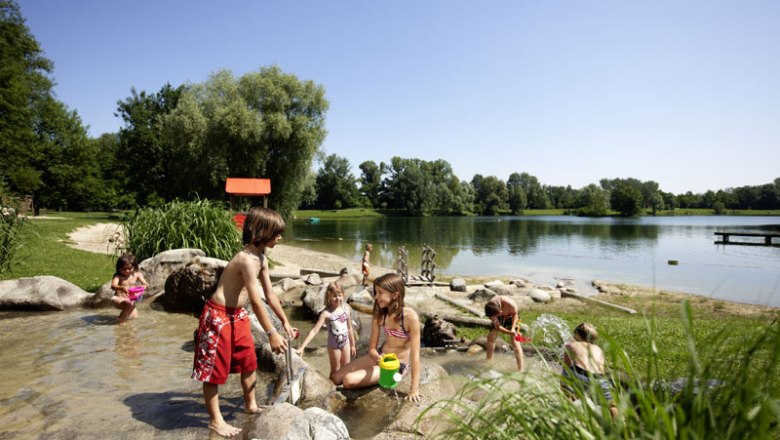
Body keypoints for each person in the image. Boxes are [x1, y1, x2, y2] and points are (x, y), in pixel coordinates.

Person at [192, 207, 295, 437]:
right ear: (262, 232)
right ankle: (216, 421)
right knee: (214, 371)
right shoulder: (246, 260)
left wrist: (285, 322)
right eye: (276, 233)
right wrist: (271, 333)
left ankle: (250, 404)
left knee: (248, 361)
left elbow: (270, 295)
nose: (280, 237)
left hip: (237, 315)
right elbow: (257, 302)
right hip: (217, 317)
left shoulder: (261, 258)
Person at [332, 272, 422, 402]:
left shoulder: (410, 317)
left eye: (380, 293)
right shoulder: (380, 314)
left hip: (396, 365)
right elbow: (372, 349)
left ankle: (388, 376)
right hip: (379, 357)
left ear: (395, 294)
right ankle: (374, 373)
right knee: (336, 378)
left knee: (347, 380)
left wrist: (414, 389)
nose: (375, 297)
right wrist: (378, 358)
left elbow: (415, 355)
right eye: (375, 292)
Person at [295, 282, 357, 382]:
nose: (337, 298)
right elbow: (314, 331)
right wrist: (302, 347)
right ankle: (330, 388)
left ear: (343, 295)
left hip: (346, 344)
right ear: (329, 297)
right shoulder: (326, 313)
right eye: (334, 296)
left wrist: (353, 345)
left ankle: (345, 387)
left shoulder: (346, 309)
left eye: (339, 295)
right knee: (335, 370)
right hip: (334, 346)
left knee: (346, 368)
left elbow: (349, 328)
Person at [561, 323, 618, 418]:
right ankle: (619, 426)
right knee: (611, 405)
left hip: (578, 373)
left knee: (567, 390)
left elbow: (566, 366)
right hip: (599, 378)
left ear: (577, 334)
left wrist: (563, 384)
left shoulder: (571, 345)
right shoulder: (598, 349)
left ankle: (570, 417)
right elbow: (601, 368)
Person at [484, 295, 524, 371]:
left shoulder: (510, 303)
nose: (501, 312)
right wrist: (510, 333)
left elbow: (515, 314)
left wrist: (512, 329)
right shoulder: (490, 309)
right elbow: (499, 327)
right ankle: (488, 361)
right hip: (497, 314)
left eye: (500, 312)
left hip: (512, 315)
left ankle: (521, 369)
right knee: (491, 338)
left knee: (515, 341)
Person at [111, 253, 148, 323]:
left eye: (129, 268)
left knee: (135, 318)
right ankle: (120, 321)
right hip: (118, 299)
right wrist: (121, 288)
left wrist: (144, 286)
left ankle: (128, 328)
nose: (127, 271)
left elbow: (145, 283)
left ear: (134, 267)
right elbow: (113, 286)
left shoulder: (137, 274)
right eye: (124, 269)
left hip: (130, 300)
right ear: (119, 268)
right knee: (128, 306)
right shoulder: (118, 276)